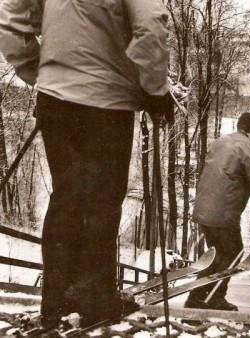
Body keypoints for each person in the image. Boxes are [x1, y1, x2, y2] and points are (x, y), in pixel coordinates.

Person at [0, 0, 172, 328]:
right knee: (102, 203)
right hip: (107, 103)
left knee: (66, 197)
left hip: (55, 101)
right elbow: (150, 24)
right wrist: (155, 89)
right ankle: (94, 302)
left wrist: (43, 72)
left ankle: (56, 303)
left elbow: (11, 20)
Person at [186, 113, 250, 311]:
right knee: (233, 254)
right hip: (223, 213)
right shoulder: (248, 148)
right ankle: (211, 298)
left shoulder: (221, 142)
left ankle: (198, 297)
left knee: (218, 256)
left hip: (204, 209)